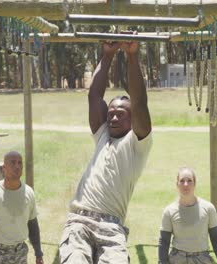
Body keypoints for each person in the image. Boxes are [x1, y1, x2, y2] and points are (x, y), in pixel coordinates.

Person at [58, 38, 153, 264]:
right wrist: (108, 55)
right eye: (111, 112)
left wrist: (132, 56)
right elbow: (94, 97)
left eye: (121, 113)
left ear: (133, 120)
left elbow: (140, 102)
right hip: (79, 222)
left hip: (111, 227)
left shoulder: (137, 144)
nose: (113, 116)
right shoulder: (103, 136)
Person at [0, 151, 44, 264]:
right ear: (4, 168)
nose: (17, 166)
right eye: (13, 163)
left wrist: (38, 253)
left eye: (20, 163)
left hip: (20, 252)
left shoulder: (28, 193)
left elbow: (33, 224)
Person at [158, 167, 217, 264]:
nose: (185, 184)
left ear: (194, 184)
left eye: (189, 181)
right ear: (177, 184)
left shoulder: (208, 208)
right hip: (177, 259)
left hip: (202, 259)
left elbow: (216, 237)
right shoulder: (169, 211)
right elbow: (164, 241)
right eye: (182, 181)